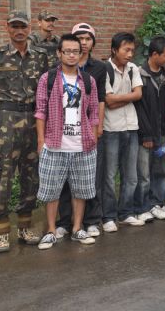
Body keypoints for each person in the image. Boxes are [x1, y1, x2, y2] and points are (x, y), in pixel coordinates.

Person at [0, 10, 49, 252]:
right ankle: (2, 232)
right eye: (14, 26)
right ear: (7, 28)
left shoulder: (40, 57)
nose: (19, 31)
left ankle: (25, 227)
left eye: (23, 26)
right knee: (3, 175)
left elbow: (45, 89)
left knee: (31, 176)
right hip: (6, 121)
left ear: (29, 28)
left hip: (32, 120)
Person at [35, 34, 99, 249]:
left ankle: (77, 228)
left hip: (83, 145)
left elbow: (94, 113)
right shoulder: (48, 79)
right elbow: (40, 111)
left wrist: (93, 137)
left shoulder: (88, 81)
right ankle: (51, 231)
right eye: (67, 51)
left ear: (81, 54)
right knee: (51, 191)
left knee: (81, 190)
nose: (72, 55)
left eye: (75, 51)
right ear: (59, 53)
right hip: (54, 144)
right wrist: (41, 141)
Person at [55, 23, 107, 239]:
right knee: (65, 180)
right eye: (80, 38)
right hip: (64, 132)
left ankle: (92, 220)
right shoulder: (57, 69)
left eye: (88, 39)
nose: (84, 43)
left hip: (88, 129)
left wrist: (99, 127)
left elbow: (100, 100)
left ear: (93, 43)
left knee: (91, 177)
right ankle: (65, 222)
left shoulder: (99, 68)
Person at [101, 32, 144, 232]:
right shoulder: (104, 69)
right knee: (109, 176)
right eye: (126, 50)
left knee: (131, 175)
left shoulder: (133, 68)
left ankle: (126, 213)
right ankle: (108, 216)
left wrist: (119, 99)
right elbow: (107, 101)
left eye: (132, 50)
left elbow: (139, 94)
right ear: (114, 50)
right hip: (111, 128)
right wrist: (129, 97)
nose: (130, 54)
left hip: (131, 127)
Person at [134, 36, 165, 222]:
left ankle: (157, 203)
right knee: (144, 173)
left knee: (160, 171)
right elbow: (139, 108)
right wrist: (146, 134)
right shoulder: (139, 74)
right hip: (146, 134)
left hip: (163, 132)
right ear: (154, 54)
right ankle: (142, 207)